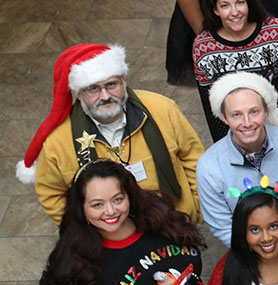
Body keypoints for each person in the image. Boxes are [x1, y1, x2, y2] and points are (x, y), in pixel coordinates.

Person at [30, 160, 224, 285]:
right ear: (82, 208)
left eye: (117, 199)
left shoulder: (163, 223)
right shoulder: (74, 256)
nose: (110, 211)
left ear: (129, 195)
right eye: (97, 204)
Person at [23, 44, 204, 224]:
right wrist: (81, 230)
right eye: (93, 88)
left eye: (111, 85)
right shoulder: (57, 141)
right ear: (78, 94)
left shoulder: (163, 109)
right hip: (108, 238)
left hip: (173, 223)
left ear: (123, 81)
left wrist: (196, 209)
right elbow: (50, 193)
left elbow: (194, 159)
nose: (105, 96)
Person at [196, 72, 278, 247]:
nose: (247, 122)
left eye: (254, 112)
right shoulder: (209, 167)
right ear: (224, 118)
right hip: (248, 255)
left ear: (267, 110)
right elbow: (222, 227)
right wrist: (261, 253)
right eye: (236, 115)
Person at [192, 0, 278, 141]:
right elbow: (212, 108)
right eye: (225, 5)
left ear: (249, 3)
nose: (234, 12)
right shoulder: (203, 47)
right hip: (237, 135)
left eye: (240, 3)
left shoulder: (275, 32)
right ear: (215, 9)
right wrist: (227, 148)